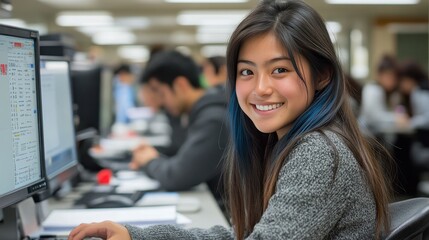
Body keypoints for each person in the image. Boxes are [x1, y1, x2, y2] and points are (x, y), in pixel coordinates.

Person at [68, 1, 391, 239]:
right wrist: (136, 235)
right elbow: (241, 235)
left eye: (280, 69)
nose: (261, 88)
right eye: (247, 72)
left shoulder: (319, 153)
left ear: (322, 75)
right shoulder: (281, 144)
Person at [131, 50, 228, 200]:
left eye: (162, 94)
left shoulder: (214, 119)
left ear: (180, 85)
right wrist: (152, 152)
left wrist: (150, 161)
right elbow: (181, 149)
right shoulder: (199, 112)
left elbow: (176, 176)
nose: (161, 102)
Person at [359, 55, 404, 135]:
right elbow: (373, 117)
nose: (391, 80)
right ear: (379, 75)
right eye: (388, 76)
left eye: (394, 77)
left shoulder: (390, 92)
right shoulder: (373, 89)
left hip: (379, 134)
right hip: (369, 136)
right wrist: (396, 118)